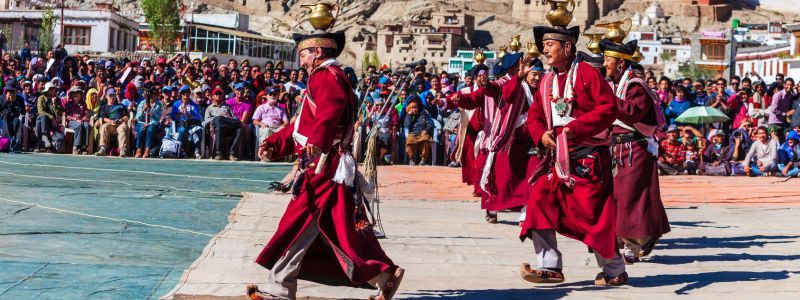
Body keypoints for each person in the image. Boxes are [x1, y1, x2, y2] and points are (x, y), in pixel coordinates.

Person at [249, 27, 403, 300]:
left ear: (317, 52)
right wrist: (275, 144)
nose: (302, 60)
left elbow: (330, 111)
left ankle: (280, 289)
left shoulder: (326, 76)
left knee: (298, 226)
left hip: (323, 166)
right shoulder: (325, 77)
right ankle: (382, 276)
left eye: (304, 54)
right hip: (324, 164)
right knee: (334, 230)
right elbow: (302, 125)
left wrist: (318, 141)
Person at [520, 20, 627, 286]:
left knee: (593, 218)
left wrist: (572, 130)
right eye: (543, 46)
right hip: (556, 161)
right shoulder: (546, 82)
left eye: (549, 45)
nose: (544, 51)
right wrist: (541, 135)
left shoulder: (588, 75)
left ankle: (614, 269)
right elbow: (534, 117)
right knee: (538, 200)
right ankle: (550, 265)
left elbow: (607, 109)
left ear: (567, 47)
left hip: (587, 159)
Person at [599, 38, 670, 264]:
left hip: (635, 147)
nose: (604, 64)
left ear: (620, 63)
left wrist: (606, 97)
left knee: (631, 197)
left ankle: (633, 245)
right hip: (618, 147)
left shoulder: (636, 85)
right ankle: (621, 240)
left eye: (607, 60)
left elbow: (632, 113)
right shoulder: (617, 83)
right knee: (617, 197)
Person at [204, 88, 242, 160]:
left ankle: (232, 153)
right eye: (216, 94)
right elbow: (206, 121)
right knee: (219, 127)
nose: (218, 95)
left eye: (220, 94)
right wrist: (217, 118)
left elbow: (234, 118)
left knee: (239, 129)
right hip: (217, 128)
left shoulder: (227, 107)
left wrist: (228, 117)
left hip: (228, 127)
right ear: (212, 96)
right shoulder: (209, 108)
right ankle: (219, 153)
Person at [252, 88, 289, 161]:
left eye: (274, 94)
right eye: (270, 94)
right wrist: (261, 124)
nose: (272, 96)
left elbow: (286, 122)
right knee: (266, 130)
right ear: (267, 96)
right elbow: (254, 121)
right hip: (265, 127)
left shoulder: (281, 109)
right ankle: (264, 154)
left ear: (277, 96)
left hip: (277, 128)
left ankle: (279, 155)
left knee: (284, 131)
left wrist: (282, 126)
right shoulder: (261, 107)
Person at [95, 88, 130, 157]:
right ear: (106, 96)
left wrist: (121, 120)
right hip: (111, 124)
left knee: (123, 127)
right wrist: (111, 121)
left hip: (120, 123)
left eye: (114, 95)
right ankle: (103, 149)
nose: (112, 97)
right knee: (104, 126)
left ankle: (122, 150)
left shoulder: (121, 106)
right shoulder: (103, 107)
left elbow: (126, 117)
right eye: (110, 95)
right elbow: (103, 118)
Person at [172, 85, 204, 158]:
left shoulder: (193, 105)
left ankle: (197, 150)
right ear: (181, 94)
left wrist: (187, 113)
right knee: (183, 130)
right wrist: (180, 112)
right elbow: (173, 117)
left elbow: (197, 118)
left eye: (187, 93)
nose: (186, 94)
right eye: (184, 93)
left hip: (191, 125)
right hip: (180, 125)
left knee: (199, 130)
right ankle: (180, 150)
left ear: (190, 94)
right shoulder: (176, 104)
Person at [403, 96, 434, 165]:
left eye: (415, 107)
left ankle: (423, 159)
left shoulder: (424, 113)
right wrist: (409, 116)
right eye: (412, 107)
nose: (414, 109)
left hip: (422, 132)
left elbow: (430, 123)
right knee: (409, 140)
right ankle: (411, 159)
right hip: (413, 133)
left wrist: (426, 130)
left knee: (426, 140)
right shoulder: (408, 114)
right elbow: (407, 126)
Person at [35, 82, 63, 153]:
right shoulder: (41, 98)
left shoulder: (57, 100)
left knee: (39, 123)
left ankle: (43, 145)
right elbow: (40, 111)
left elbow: (58, 115)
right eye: (51, 89)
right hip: (42, 118)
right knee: (42, 117)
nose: (53, 91)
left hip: (52, 122)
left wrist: (54, 104)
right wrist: (51, 117)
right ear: (47, 90)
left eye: (54, 89)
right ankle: (44, 136)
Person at [134, 88, 162, 158]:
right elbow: (138, 118)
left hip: (152, 124)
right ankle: (139, 149)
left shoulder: (158, 105)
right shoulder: (142, 103)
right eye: (152, 94)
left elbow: (157, 119)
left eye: (155, 94)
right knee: (141, 128)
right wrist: (143, 110)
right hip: (142, 122)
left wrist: (149, 122)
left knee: (150, 129)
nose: (154, 96)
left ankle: (147, 149)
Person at [64, 86, 91, 154]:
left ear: (80, 94)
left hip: (81, 121)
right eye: (74, 93)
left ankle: (84, 147)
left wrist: (82, 119)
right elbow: (67, 116)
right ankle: (75, 147)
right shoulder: (68, 104)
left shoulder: (83, 104)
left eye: (78, 93)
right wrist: (76, 119)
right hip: (72, 122)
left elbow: (86, 115)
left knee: (87, 125)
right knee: (79, 125)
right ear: (72, 95)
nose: (76, 94)